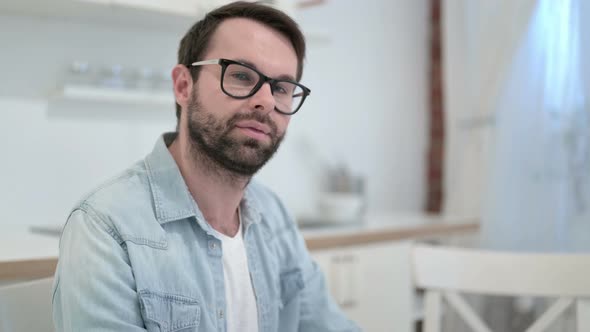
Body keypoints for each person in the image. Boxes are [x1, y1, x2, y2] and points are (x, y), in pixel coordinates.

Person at [52, 1, 360, 331]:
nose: (267, 101)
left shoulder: (275, 218)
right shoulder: (106, 227)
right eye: (242, 75)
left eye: (282, 88)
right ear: (184, 86)